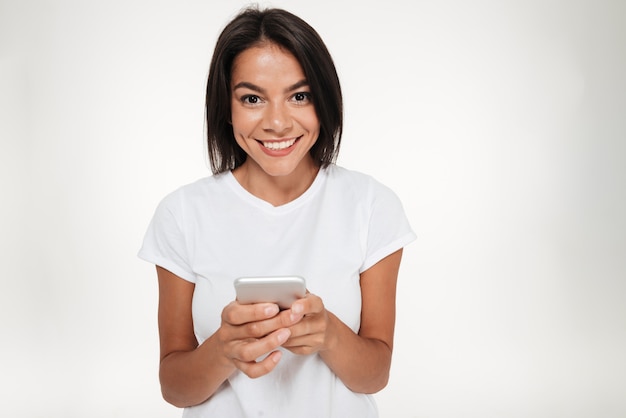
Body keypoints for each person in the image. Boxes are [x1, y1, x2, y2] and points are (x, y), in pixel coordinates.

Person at [138, 6, 416, 418]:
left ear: (323, 100)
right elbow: (175, 388)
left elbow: (374, 376)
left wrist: (330, 335)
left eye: (299, 96)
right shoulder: (182, 214)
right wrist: (223, 347)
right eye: (252, 98)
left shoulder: (371, 205)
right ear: (226, 108)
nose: (277, 122)